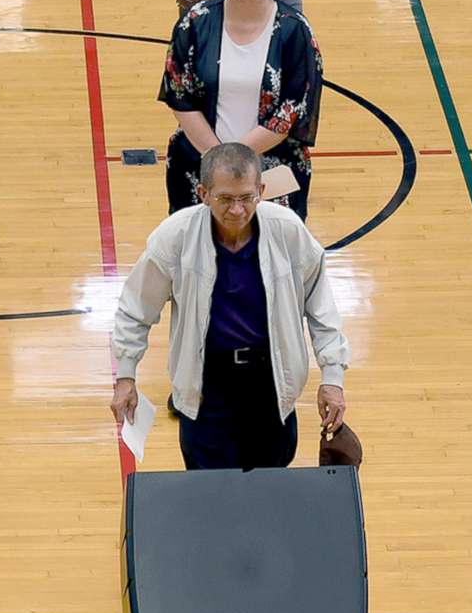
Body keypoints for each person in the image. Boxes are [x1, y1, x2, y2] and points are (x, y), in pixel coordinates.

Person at [112, 144, 346, 471]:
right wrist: (126, 376)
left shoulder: (289, 231)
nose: (237, 210)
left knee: (270, 494)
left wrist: (333, 377)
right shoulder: (174, 237)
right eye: (225, 199)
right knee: (210, 499)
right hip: (207, 391)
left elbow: (322, 310)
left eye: (246, 198)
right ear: (203, 193)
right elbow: (135, 310)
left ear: (261, 191)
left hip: (272, 385)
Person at [159, 0, 323, 216]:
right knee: (198, 257)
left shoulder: (294, 30)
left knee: (270, 258)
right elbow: (180, 96)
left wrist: (236, 162)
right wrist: (217, 160)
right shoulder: (196, 22)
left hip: (271, 173)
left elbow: (290, 111)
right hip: (200, 165)